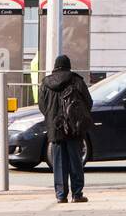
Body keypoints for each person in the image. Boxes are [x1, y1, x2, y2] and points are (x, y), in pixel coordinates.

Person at [38, 54, 93, 203]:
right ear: (68, 66)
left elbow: (42, 106)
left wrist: (51, 117)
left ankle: (61, 195)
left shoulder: (45, 83)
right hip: (73, 127)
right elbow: (88, 103)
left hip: (55, 127)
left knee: (58, 162)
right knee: (75, 160)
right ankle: (77, 194)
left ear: (55, 66)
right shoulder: (77, 81)